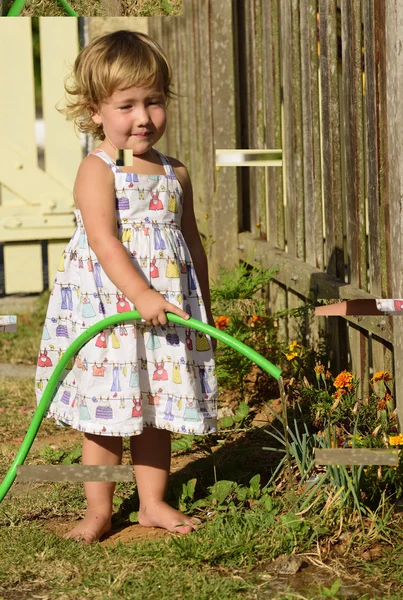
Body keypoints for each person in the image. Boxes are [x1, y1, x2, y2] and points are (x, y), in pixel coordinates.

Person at [35, 30, 218, 543]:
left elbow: (191, 241)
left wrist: (200, 301)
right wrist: (140, 295)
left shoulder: (173, 172)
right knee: (108, 413)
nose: (144, 117)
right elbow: (103, 240)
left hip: (166, 314)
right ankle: (98, 508)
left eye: (154, 101)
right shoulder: (97, 171)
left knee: (154, 406)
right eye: (127, 105)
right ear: (95, 110)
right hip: (109, 313)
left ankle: (153, 502)